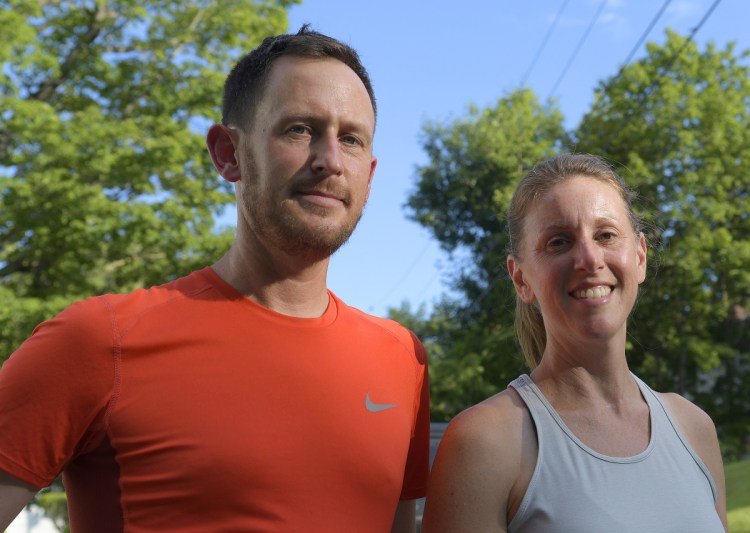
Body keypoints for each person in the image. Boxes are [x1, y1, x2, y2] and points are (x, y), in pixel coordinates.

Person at [0, 25, 429, 533]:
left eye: (351, 139)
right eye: (299, 130)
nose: (330, 160)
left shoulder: (403, 359)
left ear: (370, 173)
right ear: (228, 153)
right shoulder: (99, 340)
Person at [421, 153, 726, 533]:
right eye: (559, 242)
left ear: (641, 256)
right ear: (521, 280)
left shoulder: (694, 427)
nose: (588, 258)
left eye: (606, 235)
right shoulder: (484, 443)